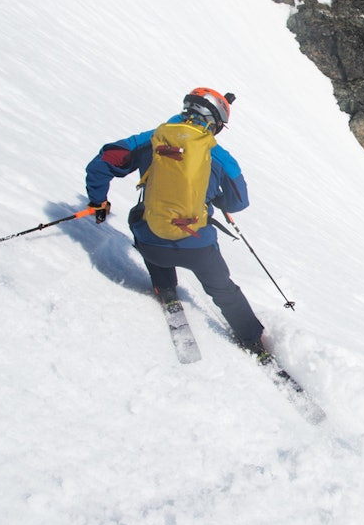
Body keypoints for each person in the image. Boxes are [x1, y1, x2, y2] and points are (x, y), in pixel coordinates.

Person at [84, 87, 267, 358]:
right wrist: (214, 196)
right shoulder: (220, 157)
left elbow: (102, 163)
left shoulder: (151, 139)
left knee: (143, 219)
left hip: (151, 242)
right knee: (223, 289)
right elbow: (239, 202)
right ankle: (253, 342)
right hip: (198, 246)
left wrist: (98, 202)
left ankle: (165, 287)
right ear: (214, 122)